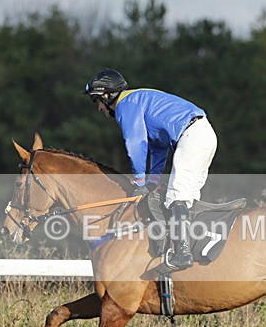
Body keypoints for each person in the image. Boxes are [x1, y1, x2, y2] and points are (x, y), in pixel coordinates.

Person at [84, 68, 217, 270]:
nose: (99, 109)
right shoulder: (138, 100)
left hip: (192, 135)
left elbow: (136, 144)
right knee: (187, 197)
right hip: (203, 133)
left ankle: (182, 253)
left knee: (177, 196)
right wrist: (151, 182)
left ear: (107, 95)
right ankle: (194, 246)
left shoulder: (125, 105)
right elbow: (158, 147)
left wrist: (139, 182)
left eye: (97, 102)